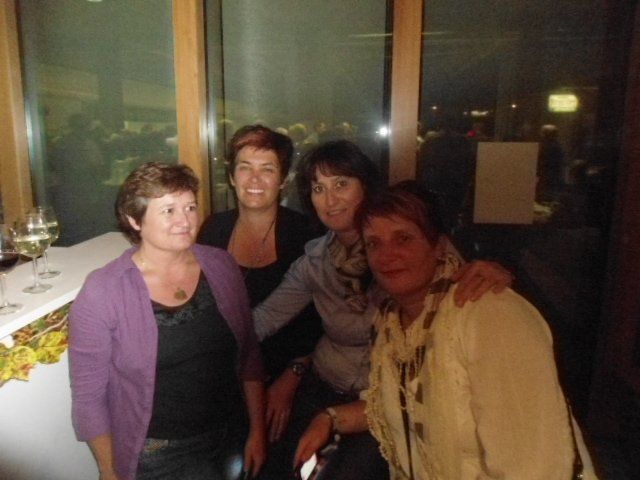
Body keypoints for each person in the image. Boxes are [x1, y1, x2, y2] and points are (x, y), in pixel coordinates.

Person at [253, 141, 514, 480]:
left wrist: (495, 276)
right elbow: (265, 318)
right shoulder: (314, 262)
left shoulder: (406, 252)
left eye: (341, 184)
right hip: (323, 383)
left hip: (386, 396)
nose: (330, 199)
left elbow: (461, 285)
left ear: (366, 187)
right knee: (280, 466)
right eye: (318, 188)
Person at [294, 181, 578, 479]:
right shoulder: (391, 323)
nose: (386, 255)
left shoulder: (488, 313)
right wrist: (330, 418)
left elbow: (535, 465)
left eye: (403, 239)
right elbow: (395, 404)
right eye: (374, 243)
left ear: (439, 246)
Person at [69, 162, 266, 480]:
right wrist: (110, 471)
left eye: (190, 207)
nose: (184, 221)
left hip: (230, 432)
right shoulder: (103, 291)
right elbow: (88, 397)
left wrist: (257, 430)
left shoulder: (221, 265)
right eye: (168, 210)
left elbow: (249, 355)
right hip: (161, 453)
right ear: (135, 220)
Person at [198, 125, 323, 439]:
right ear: (232, 177)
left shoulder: (305, 234)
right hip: (227, 374)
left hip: (292, 375)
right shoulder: (214, 229)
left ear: (283, 179)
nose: (254, 180)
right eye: (245, 168)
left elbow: (322, 321)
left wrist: (291, 378)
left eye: (267, 169)